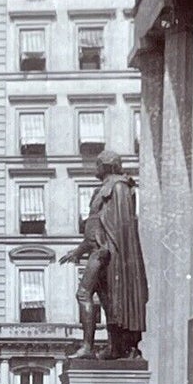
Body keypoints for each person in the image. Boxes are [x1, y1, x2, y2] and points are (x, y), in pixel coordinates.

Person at [59, 150, 149, 360]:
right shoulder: (107, 188)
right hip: (99, 251)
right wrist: (79, 250)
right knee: (108, 301)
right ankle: (114, 346)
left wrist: (103, 248)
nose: (95, 167)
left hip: (105, 253)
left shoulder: (118, 187)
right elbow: (95, 226)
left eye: (98, 163)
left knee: (84, 293)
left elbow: (118, 225)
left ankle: (88, 346)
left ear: (107, 165)